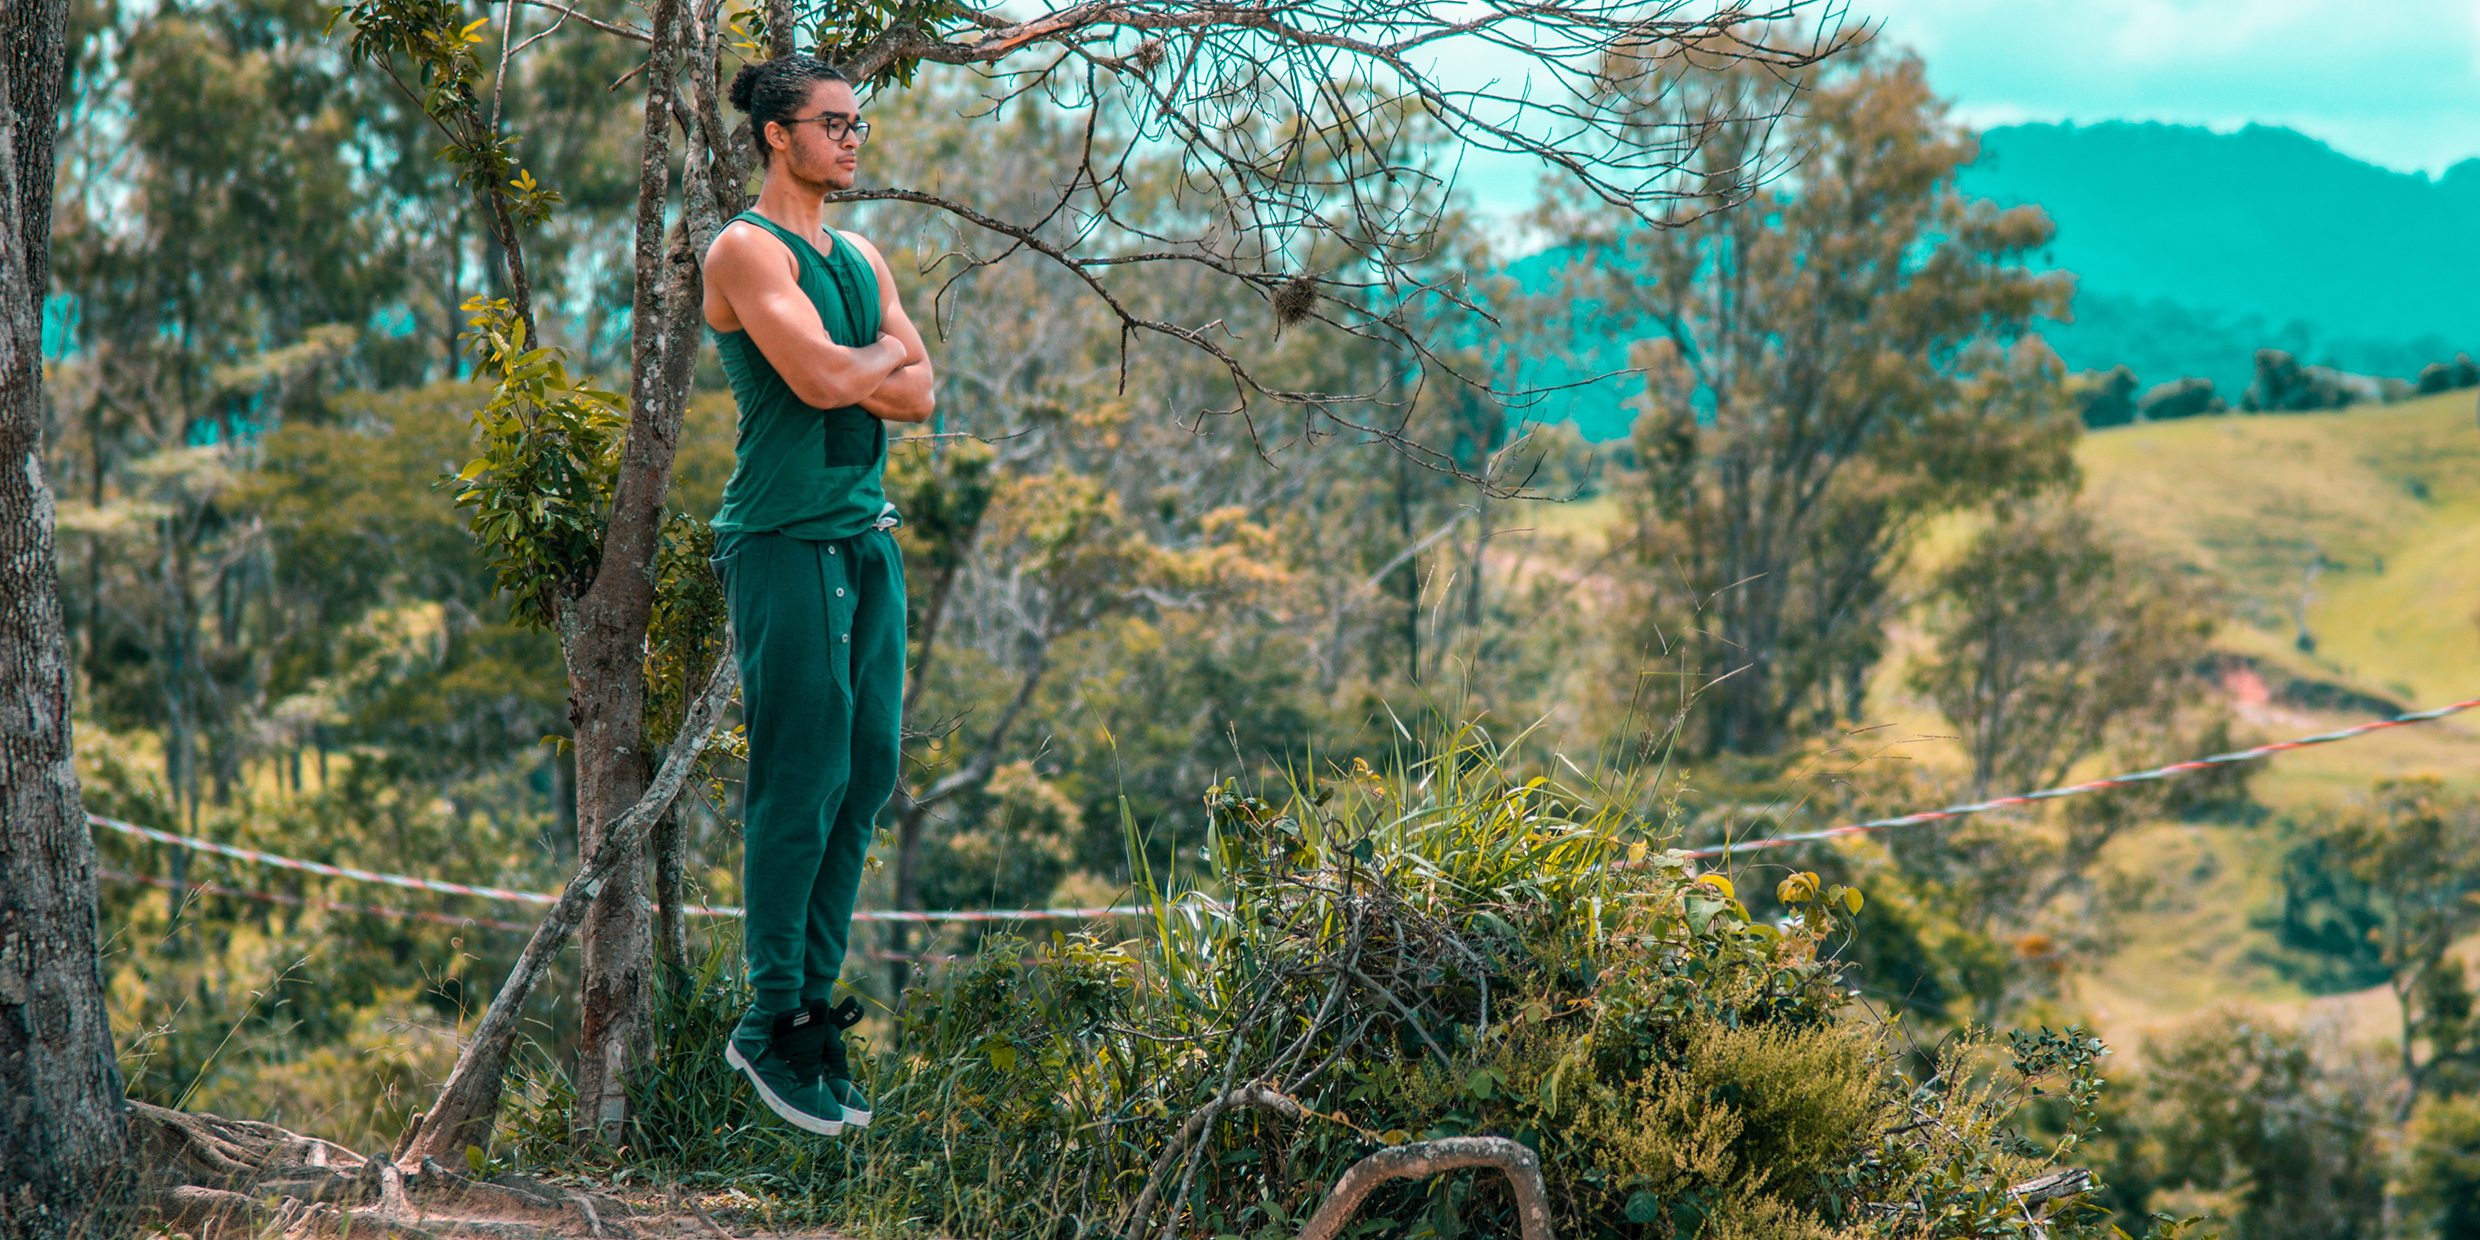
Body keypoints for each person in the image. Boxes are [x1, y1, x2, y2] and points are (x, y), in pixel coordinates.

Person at [702, 52, 933, 1136]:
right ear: (774, 135)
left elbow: (921, 397)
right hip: (782, 542)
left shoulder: (859, 254)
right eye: (832, 123)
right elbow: (825, 382)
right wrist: (881, 353)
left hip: (863, 541)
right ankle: (767, 1021)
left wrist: (873, 357)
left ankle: (810, 1015)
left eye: (859, 124)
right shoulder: (746, 252)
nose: (851, 139)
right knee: (800, 775)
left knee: (866, 769)